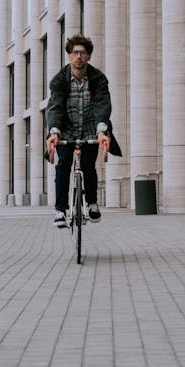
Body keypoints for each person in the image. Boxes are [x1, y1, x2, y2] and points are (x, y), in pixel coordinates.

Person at [45, 35, 121, 226]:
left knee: (89, 166)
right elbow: (55, 107)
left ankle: (92, 204)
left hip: (90, 129)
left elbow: (103, 105)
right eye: (75, 52)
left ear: (88, 56)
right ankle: (60, 210)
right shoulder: (59, 80)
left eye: (83, 53)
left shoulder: (98, 79)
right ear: (69, 56)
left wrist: (102, 131)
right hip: (66, 130)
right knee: (62, 166)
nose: (79, 56)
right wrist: (54, 132)